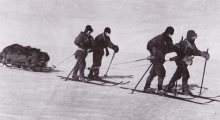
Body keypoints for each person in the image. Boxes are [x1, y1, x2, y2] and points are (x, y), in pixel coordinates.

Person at [164, 30, 210, 95]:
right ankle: (185, 90)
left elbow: (195, 51)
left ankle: (169, 87)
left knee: (178, 74)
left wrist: (203, 54)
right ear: (189, 36)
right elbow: (176, 48)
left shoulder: (192, 44)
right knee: (186, 75)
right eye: (193, 36)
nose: (194, 38)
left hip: (185, 61)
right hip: (181, 61)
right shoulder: (185, 43)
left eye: (195, 36)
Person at [144, 26, 175, 94]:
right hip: (156, 59)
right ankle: (160, 89)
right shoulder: (159, 38)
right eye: (169, 33)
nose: (170, 35)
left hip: (161, 59)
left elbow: (171, 49)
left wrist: (177, 47)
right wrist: (154, 52)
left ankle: (147, 87)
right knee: (162, 72)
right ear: (166, 32)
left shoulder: (169, 40)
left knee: (153, 73)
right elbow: (149, 44)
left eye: (172, 34)